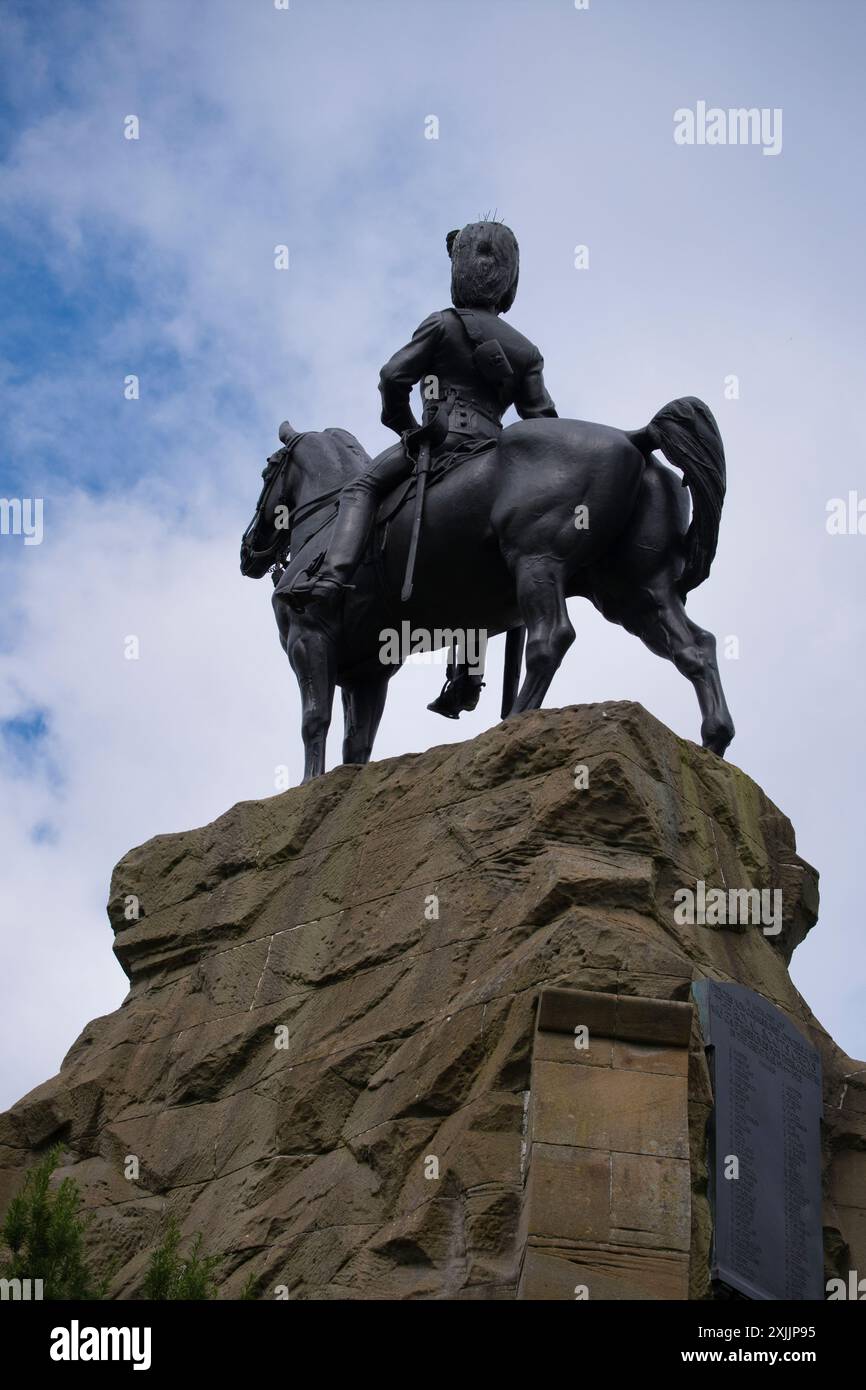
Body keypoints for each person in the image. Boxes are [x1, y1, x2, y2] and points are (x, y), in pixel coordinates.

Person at [289, 219, 558, 714]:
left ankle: (331, 580)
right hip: (495, 449)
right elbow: (543, 423)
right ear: (508, 279)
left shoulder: (444, 323)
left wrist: (406, 425)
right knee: (480, 568)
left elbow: (393, 377)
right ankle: (468, 674)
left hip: (441, 442)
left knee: (361, 488)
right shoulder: (526, 349)